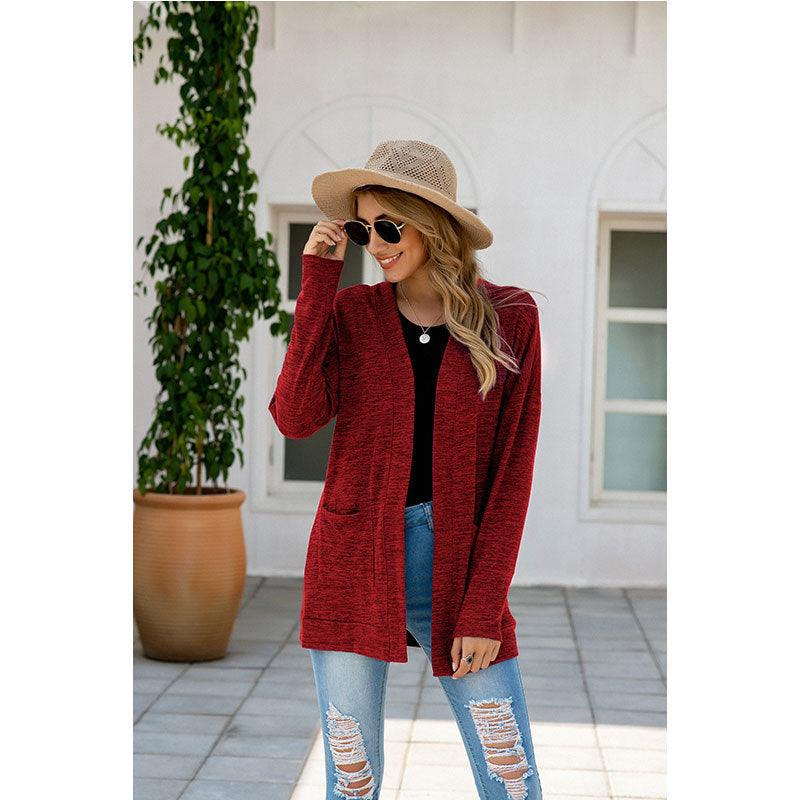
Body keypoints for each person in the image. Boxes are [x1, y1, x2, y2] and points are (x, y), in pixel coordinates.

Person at [269, 140, 544, 800]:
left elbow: (512, 474)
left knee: (511, 782)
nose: (375, 245)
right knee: (352, 784)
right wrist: (317, 283)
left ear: (432, 223)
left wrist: (484, 606)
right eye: (362, 229)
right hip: (352, 561)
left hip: (455, 566)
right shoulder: (353, 314)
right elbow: (295, 416)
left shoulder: (510, 318)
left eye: (388, 228)